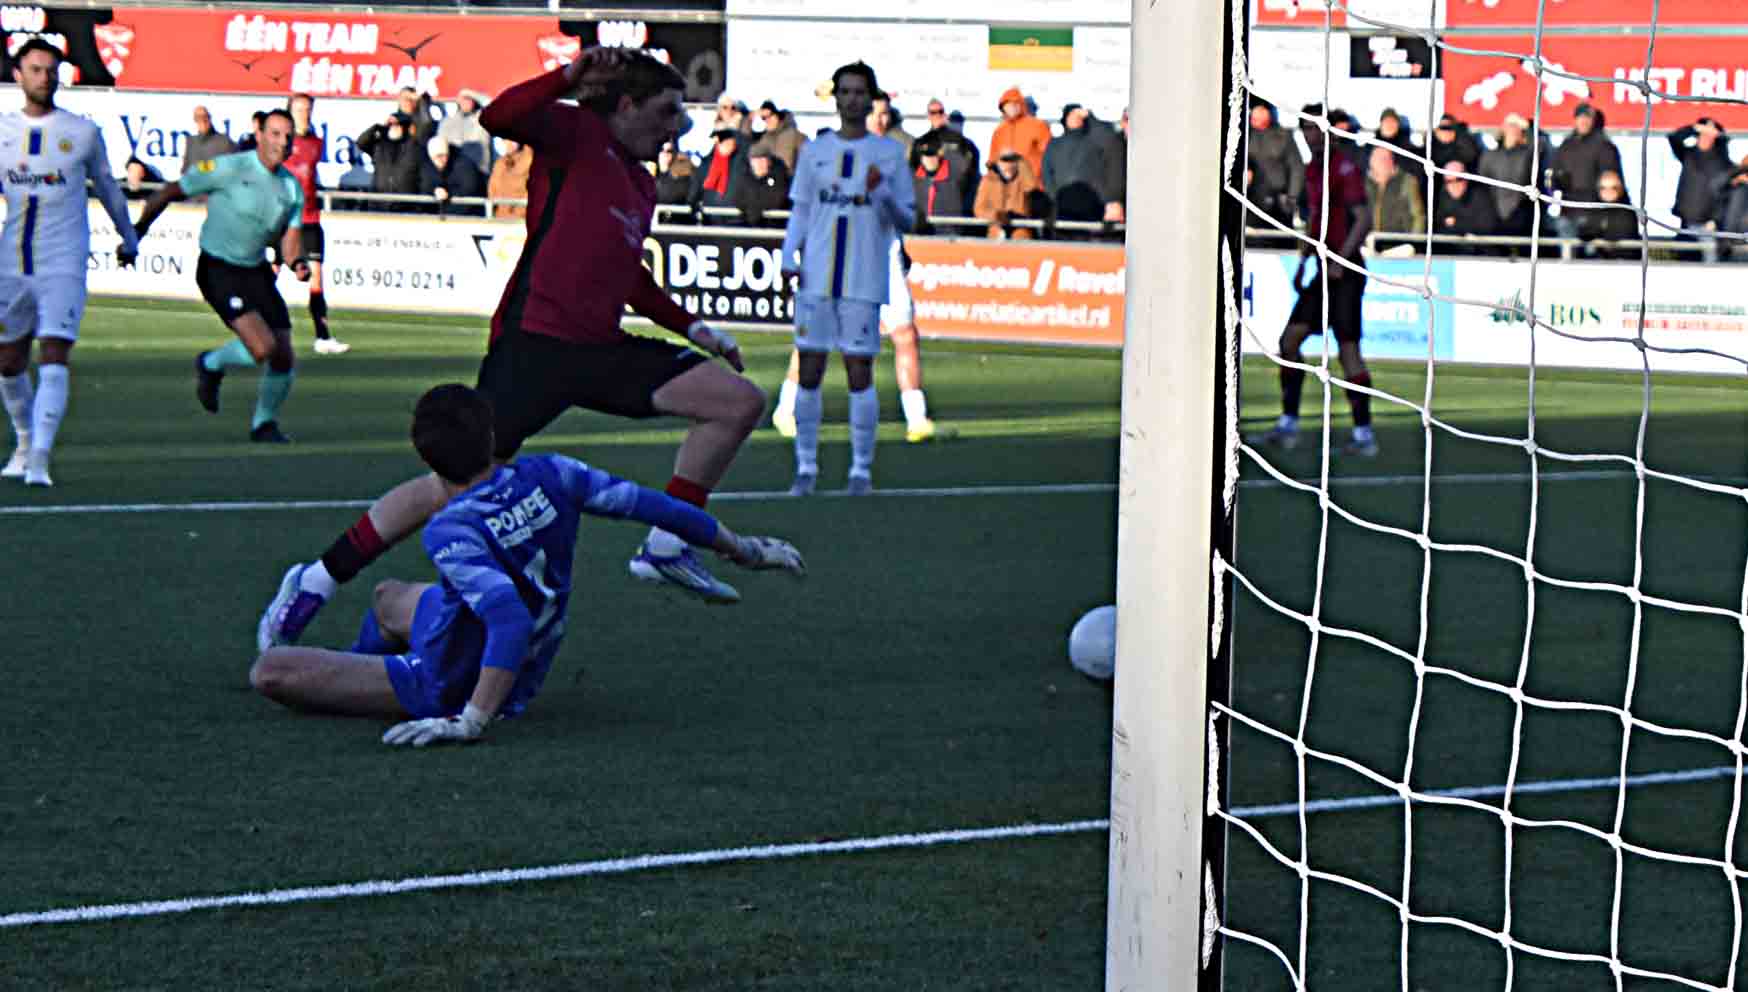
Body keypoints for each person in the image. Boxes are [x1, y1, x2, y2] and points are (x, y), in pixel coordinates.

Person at [258, 47, 766, 652]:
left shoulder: (640, 182)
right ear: (625, 105)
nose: (672, 129)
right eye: (664, 112)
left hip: (603, 350)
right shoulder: (576, 132)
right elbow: (500, 116)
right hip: (535, 347)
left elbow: (625, 272)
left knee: (737, 402)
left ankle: (666, 544)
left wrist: (694, 328)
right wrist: (568, 78)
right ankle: (314, 579)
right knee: (448, 485)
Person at [250, 383, 806, 745]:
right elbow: (658, 506)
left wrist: (471, 719)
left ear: (426, 460)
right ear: (492, 437)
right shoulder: (553, 472)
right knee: (388, 596)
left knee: (270, 672)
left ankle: (385, 684)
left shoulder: (451, 528)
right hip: (524, 653)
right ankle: (358, 671)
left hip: (455, 679)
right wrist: (744, 549)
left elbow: (507, 617)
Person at [0, 39, 141, 487]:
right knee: (8, 361)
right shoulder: (2, 133)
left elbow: (107, 186)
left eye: (51, 69)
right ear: (18, 75)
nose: (44, 76)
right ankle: (23, 442)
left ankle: (40, 457)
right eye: (36, 69)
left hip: (64, 261)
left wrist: (129, 235)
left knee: (55, 351)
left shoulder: (81, 132)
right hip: (12, 263)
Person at [778, 60, 915, 496]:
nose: (852, 99)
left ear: (871, 99)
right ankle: (805, 467)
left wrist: (882, 194)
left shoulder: (890, 154)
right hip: (817, 277)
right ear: (835, 97)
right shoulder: (815, 152)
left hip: (863, 277)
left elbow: (908, 217)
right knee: (810, 368)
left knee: (860, 371)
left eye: (860, 92)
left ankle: (860, 469)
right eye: (845, 91)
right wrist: (787, 256)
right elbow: (800, 209)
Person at [132, 109, 310, 444]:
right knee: (262, 348)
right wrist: (137, 232)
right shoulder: (230, 168)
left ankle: (264, 425)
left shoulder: (291, 189)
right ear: (259, 135)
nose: (281, 142)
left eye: (288, 137)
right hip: (218, 268)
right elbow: (171, 191)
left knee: (283, 354)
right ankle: (211, 364)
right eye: (275, 134)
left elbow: (289, 245)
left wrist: (298, 262)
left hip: (255, 269)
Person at [1251, 103, 1376, 458]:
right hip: (1322, 270)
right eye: (1304, 128)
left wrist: (1341, 259)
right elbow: (1316, 220)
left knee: (1348, 351)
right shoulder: (1312, 168)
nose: (1309, 134)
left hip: (1345, 270)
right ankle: (1288, 424)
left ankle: (1363, 434)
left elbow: (1363, 218)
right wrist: (1306, 259)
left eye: (1314, 128)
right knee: (1289, 342)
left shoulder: (1345, 167)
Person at [285, 92, 346, 355]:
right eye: (299, 109)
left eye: (307, 109)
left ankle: (322, 337)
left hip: (310, 218)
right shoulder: (280, 142)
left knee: (317, 278)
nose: (304, 113)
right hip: (284, 221)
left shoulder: (316, 143)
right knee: (269, 276)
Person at [1549, 103, 1623, 241]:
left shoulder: (1604, 146)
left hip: (1594, 213)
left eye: (1587, 118)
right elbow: (1553, 176)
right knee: (1567, 256)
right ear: (1575, 120)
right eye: (1580, 117)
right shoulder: (1566, 145)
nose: (1584, 121)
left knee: (1591, 258)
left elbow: (1612, 181)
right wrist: (1556, 184)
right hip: (1567, 212)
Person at [1041, 103, 1113, 224]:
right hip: (1062, 202)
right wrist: (1053, 196)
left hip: (1091, 202)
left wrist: (1090, 117)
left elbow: (1109, 135)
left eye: (1078, 117)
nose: (1075, 120)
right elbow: (1047, 172)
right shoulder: (1054, 144)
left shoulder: (1094, 142)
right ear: (1065, 119)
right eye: (1071, 116)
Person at [1669, 118, 1733, 252]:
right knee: (1682, 261)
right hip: (1685, 223)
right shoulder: (1688, 155)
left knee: (1708, 265)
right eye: (1704, 134)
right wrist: (1695, 128)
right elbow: (1674, 138)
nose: (1706, 137)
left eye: (1710, 135)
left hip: (1709, 226)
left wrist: (1715, 219)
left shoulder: (1722, 162)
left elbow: (1725, 194)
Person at [1477, 112, 1544, 238]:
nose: (1513, 130)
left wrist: (1527, 134)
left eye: (1517, 127)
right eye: (1510, 125)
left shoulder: (1528, 155)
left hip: (1521, 212)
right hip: (1493, 212)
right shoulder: (1490, 155)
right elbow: (1482, 184)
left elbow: (1540, 147)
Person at [913, 96, 980, 214]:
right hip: (927, 203)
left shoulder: (965, 144)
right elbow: (913, 172)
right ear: (928, 115)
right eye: (933, 112)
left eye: (940, 112)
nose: (937, 115)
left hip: (956, 202)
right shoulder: (920, 143)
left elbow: (972, 173)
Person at [1246, 100, 1302, 229]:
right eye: (1255, 111)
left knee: (1279, 243)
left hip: (1279, 204)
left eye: (1261, 110)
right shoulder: (1243, 136)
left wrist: (1292, 197)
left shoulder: (1283, 136)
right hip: (1251, 202)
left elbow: (1296, 167)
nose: (1257, 115)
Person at [356, 111, 423, 206]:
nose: (393, 127)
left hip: (406, 205)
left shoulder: (414, 147)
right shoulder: (379, 145)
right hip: (379, 203)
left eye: (397, 124)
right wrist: (377, 127)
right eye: (391, 124)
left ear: (404, 127)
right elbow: (361, 142)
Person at [973, 151, 1042, 239]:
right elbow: (979, 208)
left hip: (1021, 234)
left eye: (1011, 162)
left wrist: (1022, 164)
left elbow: (1032, 191)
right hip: (996, 234)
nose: (1007, 166)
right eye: (1004, 163)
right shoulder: (988, 180)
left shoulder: (1023, 177)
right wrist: (995, 215)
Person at [1432, 160, 1498, 252]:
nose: (1454, 185)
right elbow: (1439, 223)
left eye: (1458, 179)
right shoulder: (1444, 196)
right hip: (1451, 249)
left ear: (1466, 178)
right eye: (1449, 181)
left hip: (1479, 251)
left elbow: (1487, 226)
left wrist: (1456, 223)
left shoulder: (1480, 195)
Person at [1365, 146, 1424, 249]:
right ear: (1371, 162)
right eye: (1378, 159)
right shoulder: (1364, 183)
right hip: (1369, 245)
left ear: (1392, 160)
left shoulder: (1407, 181)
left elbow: (1418, 215)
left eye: (1386, 158)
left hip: (1399, 246)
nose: (1383, 162)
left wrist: (1414, 243)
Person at [990, 86, 1051, 179]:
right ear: (1003, 107)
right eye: (1007, 104)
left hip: (1032, 185)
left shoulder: (1038, 126)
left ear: (1021, 105)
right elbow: (992, 159)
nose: (1012, 107)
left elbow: (1049, 157)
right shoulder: (999, 131)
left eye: (1015, 103)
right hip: (1006, 187)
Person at [1575, 170, 1640, 258]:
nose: (1608, 191)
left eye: (1614, 187)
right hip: (1597, 263)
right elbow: (1583, 234)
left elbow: (1616, 237)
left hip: (1625, 263)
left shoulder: (1628, 212)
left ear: (1620, 189)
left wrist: (1597, 231)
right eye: (1603, 187)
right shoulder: (1594, 209)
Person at [438, 87, 493, 181]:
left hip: (477, 171)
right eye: (463, 99)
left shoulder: (482, 120)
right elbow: (440, 146)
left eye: (469, 99)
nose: (466, 102)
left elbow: (488, 102)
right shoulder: (447, 122)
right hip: (452, 172)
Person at [421, 136, 485, 211]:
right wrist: (433, 191)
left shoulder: (464, 165)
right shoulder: (426, 166)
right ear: (431, 157)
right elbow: (424, 186)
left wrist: (449, 194)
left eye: (446, 155)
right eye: (439, 156)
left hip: (464, 214)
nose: (443, 159)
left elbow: (470, 190)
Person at [730, 148, 790, 227]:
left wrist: (754, 208)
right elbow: (737, 199)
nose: (759, 164)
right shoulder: (743, 176)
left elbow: (778, 200)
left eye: (762, 159)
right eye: (755, 160)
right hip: (747, 225)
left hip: (775, 225)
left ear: (769, 162)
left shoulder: (780, 176)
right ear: (751, 162)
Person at [690, 127, 746, 211]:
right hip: (709, 214)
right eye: (725, 142)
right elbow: (696, 188)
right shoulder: (706, 164)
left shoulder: (740, 163)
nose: (728, 146)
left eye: (731, 143)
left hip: (734, 216)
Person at [751, 100, 806, 174]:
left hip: (790, 181)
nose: (767, 120)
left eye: (770, 115)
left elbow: (809, 159)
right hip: (773, 182)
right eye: (763, 118)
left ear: (777, 115)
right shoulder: (766, 138)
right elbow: (752, 153)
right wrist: (750, 119)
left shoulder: (794, 135)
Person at [181, 104, 236, 176]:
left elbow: (234, 167)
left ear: (210, 118)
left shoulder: (224, 141)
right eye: (198, 118)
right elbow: (185, 170)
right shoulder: (190, 142)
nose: (203, 120)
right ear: (195, 120)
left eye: (205, 117)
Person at [488, 138, 532, 217]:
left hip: (520, 221)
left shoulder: (530, 163)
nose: (507, 143)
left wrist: (517, 214)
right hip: (500, 219)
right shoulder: (500, 164)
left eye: (511, 140)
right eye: (504, 140)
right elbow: (492, 192)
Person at [868, 92, 913, 161]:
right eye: (871, 113)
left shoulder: (908, 146)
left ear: (890, 115)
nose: (877, 120)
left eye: (883, 113)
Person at [651, 141, 693, 206]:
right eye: (661, 150)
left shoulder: (681, 179)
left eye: (669, 151)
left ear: (674, 154)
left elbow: (673, 197)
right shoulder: (648, 173)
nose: (664, 153)